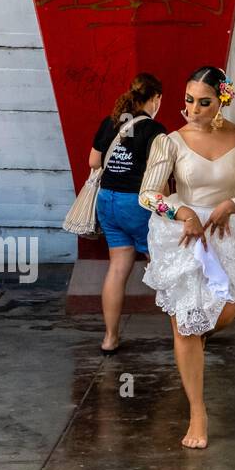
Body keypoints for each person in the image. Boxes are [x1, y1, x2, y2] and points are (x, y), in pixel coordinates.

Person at [139, 65, 235, 449]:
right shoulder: (170, 142)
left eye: (204, 102)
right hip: (184, 237)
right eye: (188, 100)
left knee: (225, 314)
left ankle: (195, 343)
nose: (193, 109)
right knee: (186, 325)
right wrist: (181, 212)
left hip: (229, 234)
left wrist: (233, 204)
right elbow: (147, 194)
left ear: (222, 100)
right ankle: (197, 411)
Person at [89, 73, 165, 354]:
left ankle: (110, 338)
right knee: (165, 267)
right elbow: (161, 172)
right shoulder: (154, 129)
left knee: (118, 268)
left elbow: (93, 161)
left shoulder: (110, 122)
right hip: (137, 204)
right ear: (156, 98)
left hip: (107, 201)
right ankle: (188, 334)